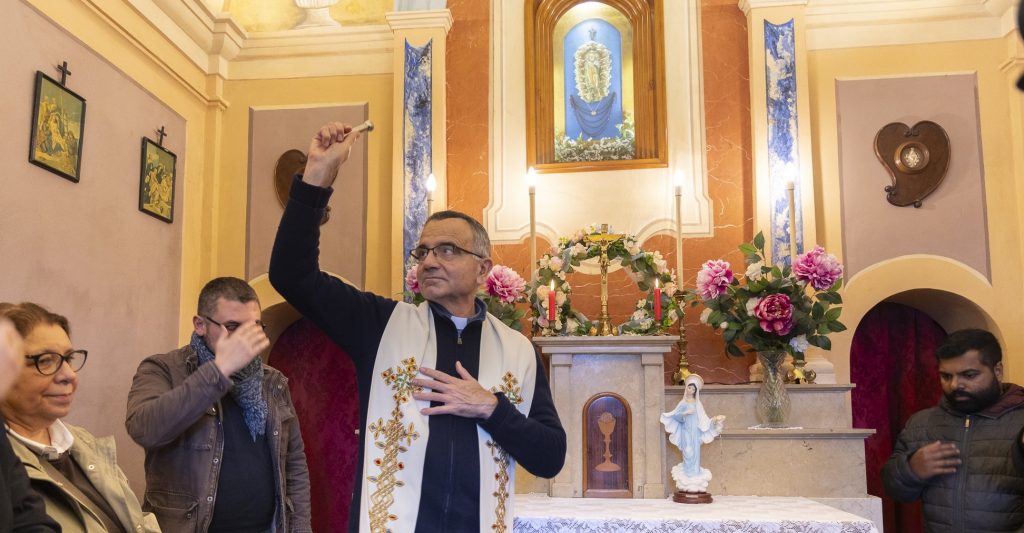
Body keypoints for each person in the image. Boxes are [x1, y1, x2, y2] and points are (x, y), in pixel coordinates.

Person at [269, 122, 566, 532]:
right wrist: (317, 177)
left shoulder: (519, 350)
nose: (428, 261)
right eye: (423, 251)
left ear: (483, 270)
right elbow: (291, 275)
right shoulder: (380, 325)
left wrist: (492, 408)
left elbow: (550, 457)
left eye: (447, 250)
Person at [125, 277, 311, 533]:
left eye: (254, 327)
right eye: (233, 326)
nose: (245, 339)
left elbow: (294, 463)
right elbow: (145, 428)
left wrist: (301, 528)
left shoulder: (272, 381)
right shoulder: (163, 369)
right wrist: (220, 370)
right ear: (200, 324)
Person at [0, 302, 157, 533]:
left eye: (69, 358)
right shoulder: (6, 462)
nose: (69, 376)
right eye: (46, 361)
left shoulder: (83, 441)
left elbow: (137, 520)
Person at [882, 329, 1024, 532]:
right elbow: (896, 491)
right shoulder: (923, 423)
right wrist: (911, 469)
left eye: (969, 375)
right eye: (946, 376)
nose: (956, 385)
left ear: (998, 371)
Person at [660, 374, 724, 493]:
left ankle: (694, 476)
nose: (691, 390)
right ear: (686, 388)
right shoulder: (683, 403)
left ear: (696, 391)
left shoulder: (697, 404)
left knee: (695, 452)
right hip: (686, 431)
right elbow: (676, 416)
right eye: (690, 388)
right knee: (688, 451)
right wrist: (685, 413)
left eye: (694, 389)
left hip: (695, 431)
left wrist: (713, 421)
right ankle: (688, 477)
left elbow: (704, 419)